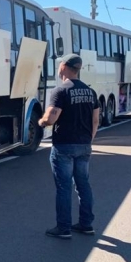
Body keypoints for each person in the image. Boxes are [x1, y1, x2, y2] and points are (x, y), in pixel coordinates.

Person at [38, 54, 100, 239]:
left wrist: (40, 122)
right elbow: (95, 121)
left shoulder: (60, 91)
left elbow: (51, 118)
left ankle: (63, 228)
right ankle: (86, 224)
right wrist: (88, 140)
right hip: (84, 145)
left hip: (64, 146)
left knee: (64, 188)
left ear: (64, 66)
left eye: (59, 65)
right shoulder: (91, 92)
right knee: (83, 185)